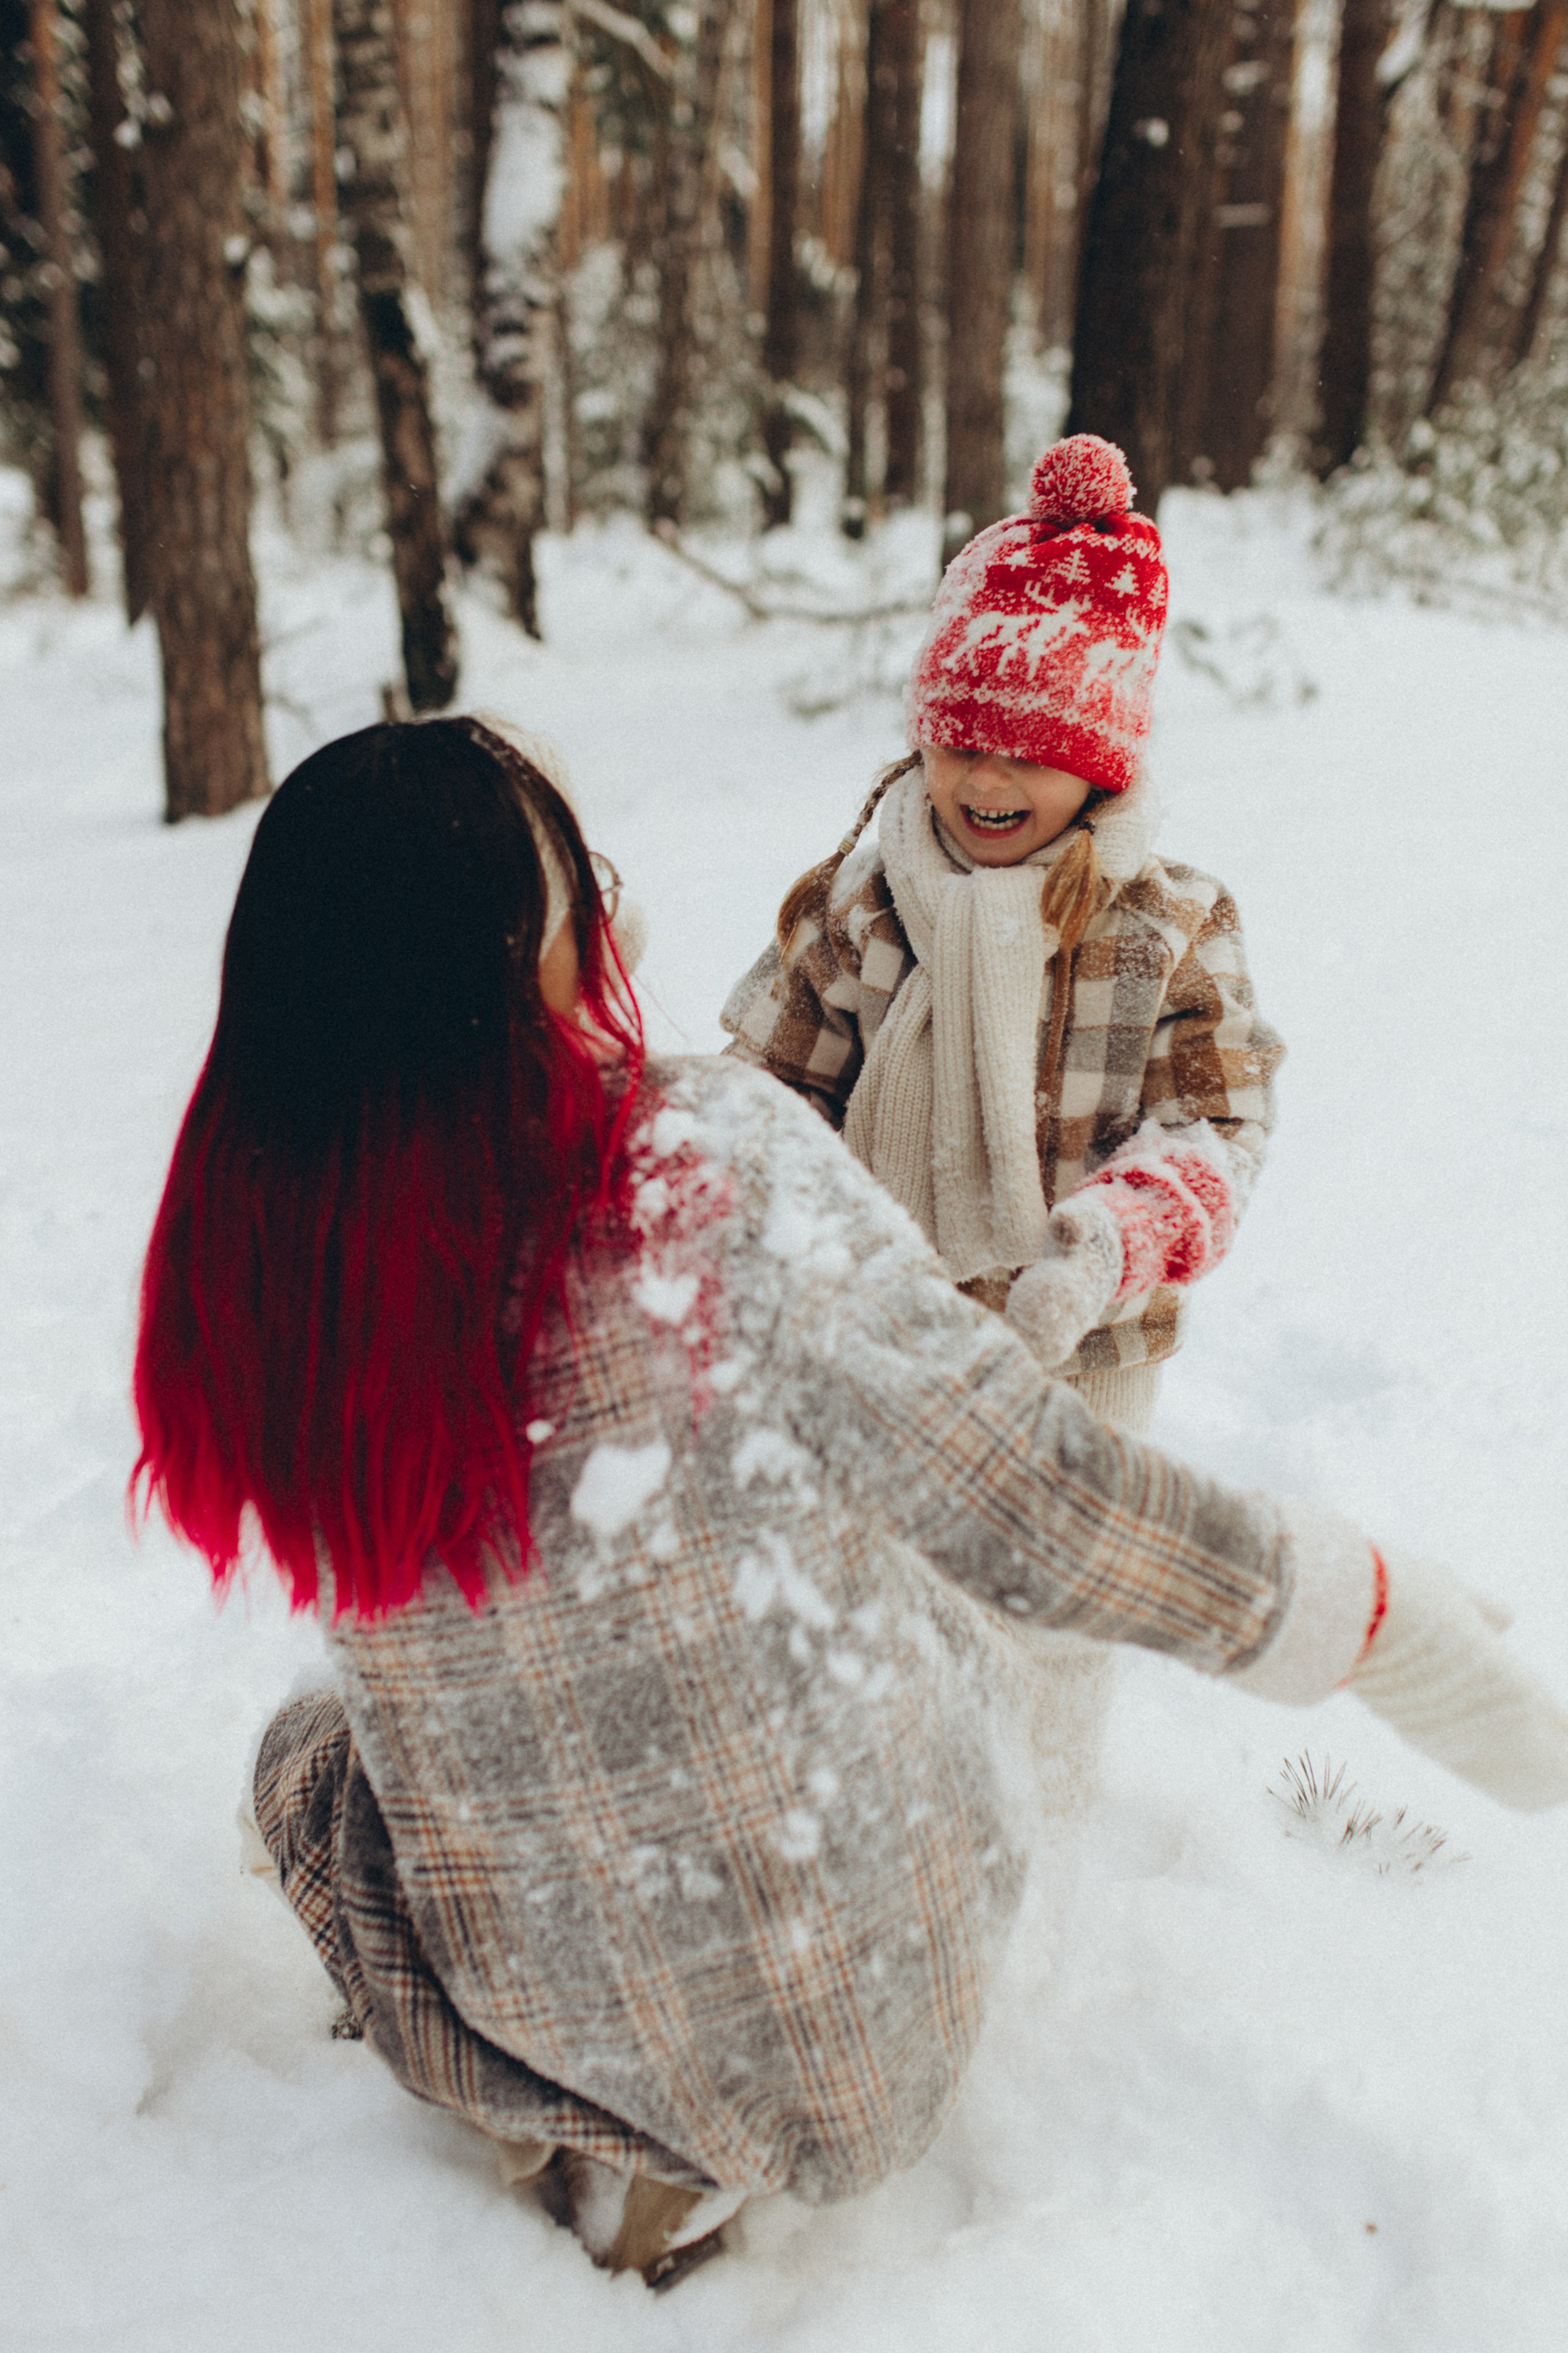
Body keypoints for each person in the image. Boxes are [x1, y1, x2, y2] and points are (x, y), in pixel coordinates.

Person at [133, 715, 1568, 2294]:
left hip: (562, 2014)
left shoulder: (258, 1284)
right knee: (843, 1561)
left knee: (313, 1754)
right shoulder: (700, 1165)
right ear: (521, 958)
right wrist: (1366, 1609)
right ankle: (703, 2076)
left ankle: (601, 2111)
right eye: (577, 906)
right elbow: (1041, 1511)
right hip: (883, 1992)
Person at [721, 434, 1281, 1805]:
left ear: (1100, 763)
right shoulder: (860, 900)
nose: (984, 779)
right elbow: (762, 1097)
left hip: (1075, 1346)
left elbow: (1217, 1126)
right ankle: (877, 1817)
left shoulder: (1166, 926)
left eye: (1029, 755)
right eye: (961, 738)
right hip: (878, 1333)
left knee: (1045, 1617)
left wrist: (1112, 1240)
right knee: (869, 1595)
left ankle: (1037, 1838)